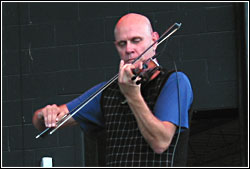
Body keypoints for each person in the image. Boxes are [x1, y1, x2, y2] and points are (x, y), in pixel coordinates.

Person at [32, 13, 193, 167]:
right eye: (122, 43)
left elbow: (160, 142)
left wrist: (132, 96)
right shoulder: (108, 90)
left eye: (136, 40)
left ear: (154, 40)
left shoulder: (174, 82)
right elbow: (51, 121)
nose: (129, 49)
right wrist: (44, 115)